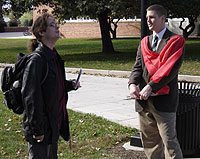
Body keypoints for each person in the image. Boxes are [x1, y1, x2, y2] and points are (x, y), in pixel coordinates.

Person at [128, 4, 185, 159]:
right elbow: (138, 67)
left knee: (170, 143)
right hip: (143, 101)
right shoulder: (144, 42)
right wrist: (132, 84)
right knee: (150, 143)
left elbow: (169, 71)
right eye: (146, 18)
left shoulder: (175, 41)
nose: (148, 21)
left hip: (164, 102)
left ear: (163, 19)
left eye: (152, 17)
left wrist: (150, 87)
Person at [21, 13, 80, 159]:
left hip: (53, 124)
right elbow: (30, 97)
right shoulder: (36, 60)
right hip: (41, 129)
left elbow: (52, 85)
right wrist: (37, 129)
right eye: (52, 25)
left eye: (56, 24)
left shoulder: (53, 56)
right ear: (41, 32)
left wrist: (70, 85)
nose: (57, 27)